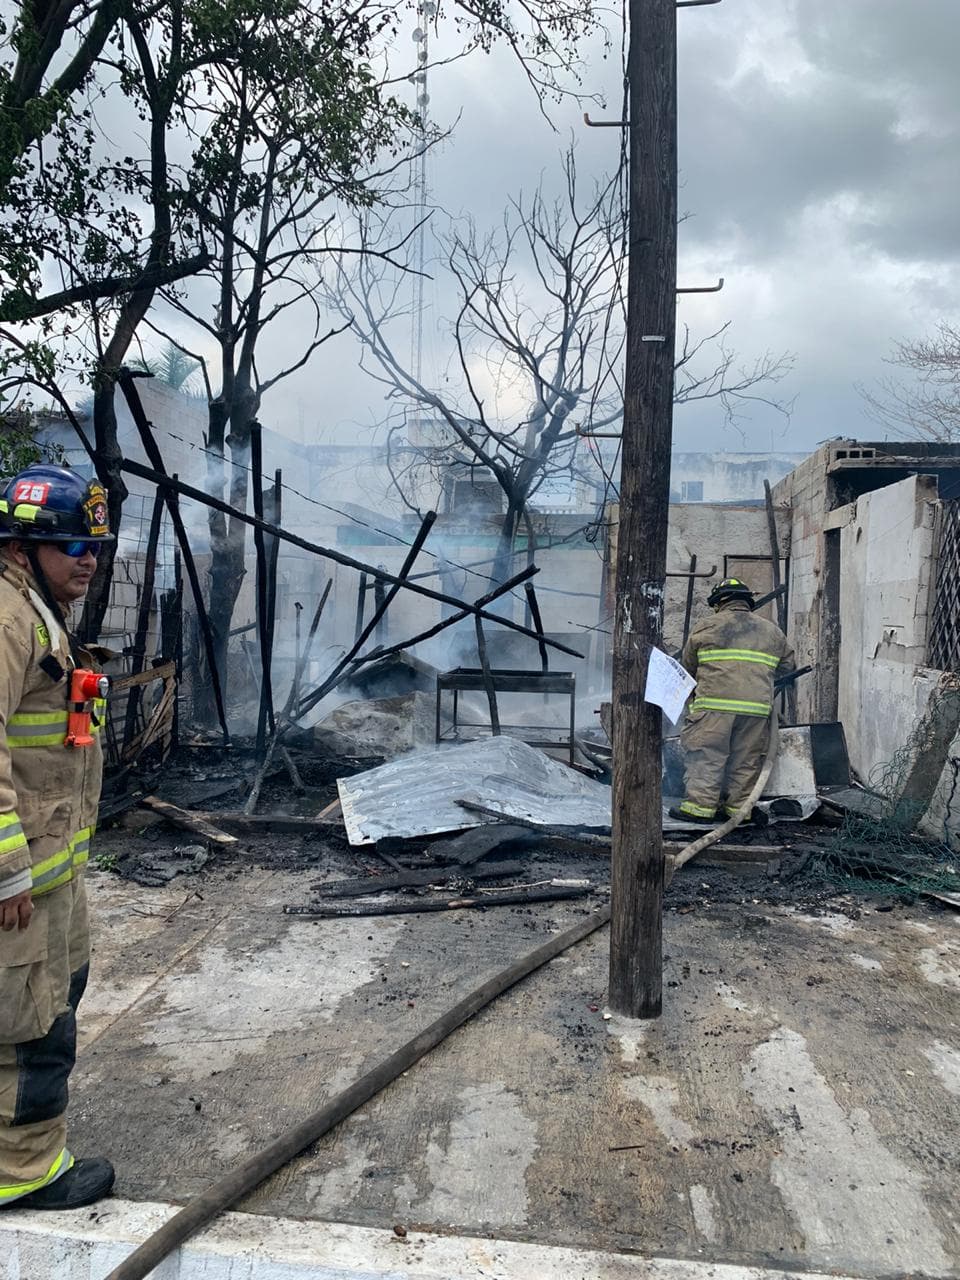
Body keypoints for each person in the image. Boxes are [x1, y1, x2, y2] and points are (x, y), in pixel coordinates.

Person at [0, 464, 116, 1210]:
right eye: (73, 541)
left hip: (51, 870)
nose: (88, 558)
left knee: (52, 1001)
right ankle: (22, 1176)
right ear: (24, 543)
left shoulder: (36, 610)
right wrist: (6, 870)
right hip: (22, 880)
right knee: (27, 1025)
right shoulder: (8, 618)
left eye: (95, 546)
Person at [670, 577, 795, 824]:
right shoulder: (772, 631)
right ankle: (738, 811)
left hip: (713, 708)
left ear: (719, 603)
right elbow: (787, 667)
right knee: (746, 761)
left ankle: (700, 809)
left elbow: (688, 669)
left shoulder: (706, 627)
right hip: (756, 711)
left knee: (707, 755)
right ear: (748, 602)